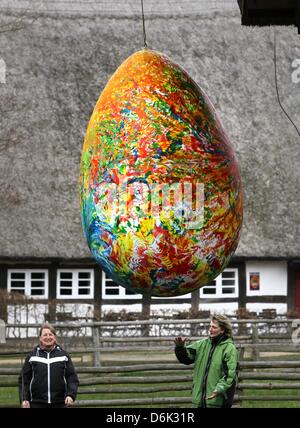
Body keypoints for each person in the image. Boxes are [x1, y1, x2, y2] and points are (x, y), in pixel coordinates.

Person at [174, 314, 239, 408]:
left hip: (218, 402)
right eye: (210, 326)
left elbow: (230, 374)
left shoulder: (229, 348)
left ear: (222, 330)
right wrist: (180, 348)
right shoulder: (202, 344)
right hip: (198, 402)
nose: (210, 329)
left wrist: (219, 389)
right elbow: (186, 358)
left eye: (214, 327)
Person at [18, 323, 79, 408]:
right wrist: (25, 399)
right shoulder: (32, 356)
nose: (48, 337)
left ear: (55, 337)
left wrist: (70, 395)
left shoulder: (64, 355)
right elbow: (24, 379)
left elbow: (71, 377)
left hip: (60, 403)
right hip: (36, 403)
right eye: (45, 335)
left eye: (50, 334)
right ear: (40, 338)